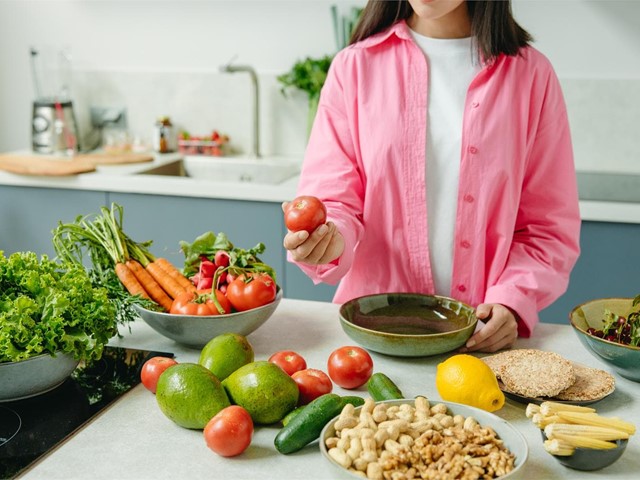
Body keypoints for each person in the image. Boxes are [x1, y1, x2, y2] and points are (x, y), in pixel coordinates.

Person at [282, 0, 581, 353]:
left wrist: (513, 300)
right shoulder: (354, 68)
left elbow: (547, 228)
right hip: (375, 342)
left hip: (484, 346)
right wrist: (328, 239)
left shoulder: (531, 75)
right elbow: (335, 202)